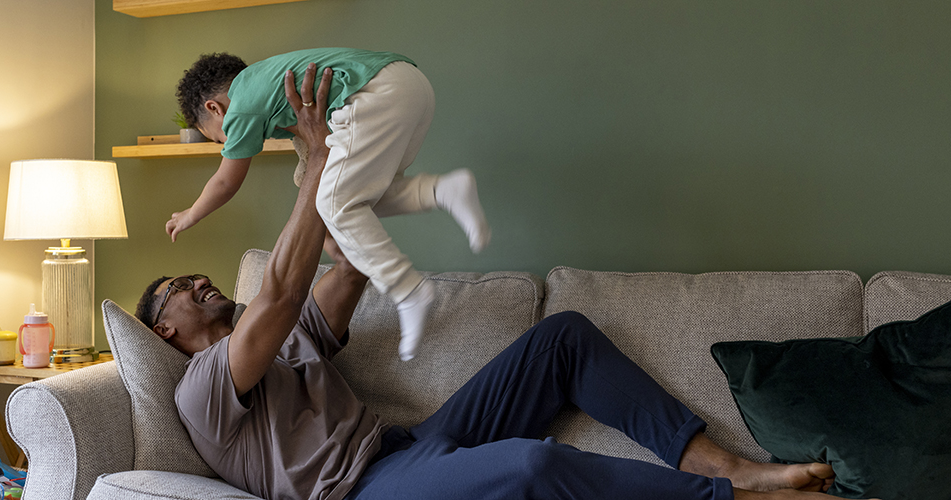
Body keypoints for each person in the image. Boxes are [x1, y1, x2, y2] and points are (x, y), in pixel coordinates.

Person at [138, 64, 873, 500]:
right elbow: (280, 294)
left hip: (404, 447)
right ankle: (726, 496)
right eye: (177, 287)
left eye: (197, 275)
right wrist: (320, 166)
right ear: (164, 330)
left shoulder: (288, 340)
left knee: (561, 338)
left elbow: (346, 269)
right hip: (359, 492)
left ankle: (725, 463)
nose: (198, 279)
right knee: (531, 465)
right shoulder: (201, 383)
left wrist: (330, 179)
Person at [166, 48, 492, 361]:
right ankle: (443, 190)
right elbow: (310, 167)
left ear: (214, 109)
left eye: (217, 139)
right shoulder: (269, 86)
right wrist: (331, 242)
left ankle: (407, 290)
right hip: (410, 87)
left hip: (375, 93)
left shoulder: (241, 106)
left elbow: (226, 181)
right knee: (361, 198)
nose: (226, 144)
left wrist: (190, 214)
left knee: (335, 200)